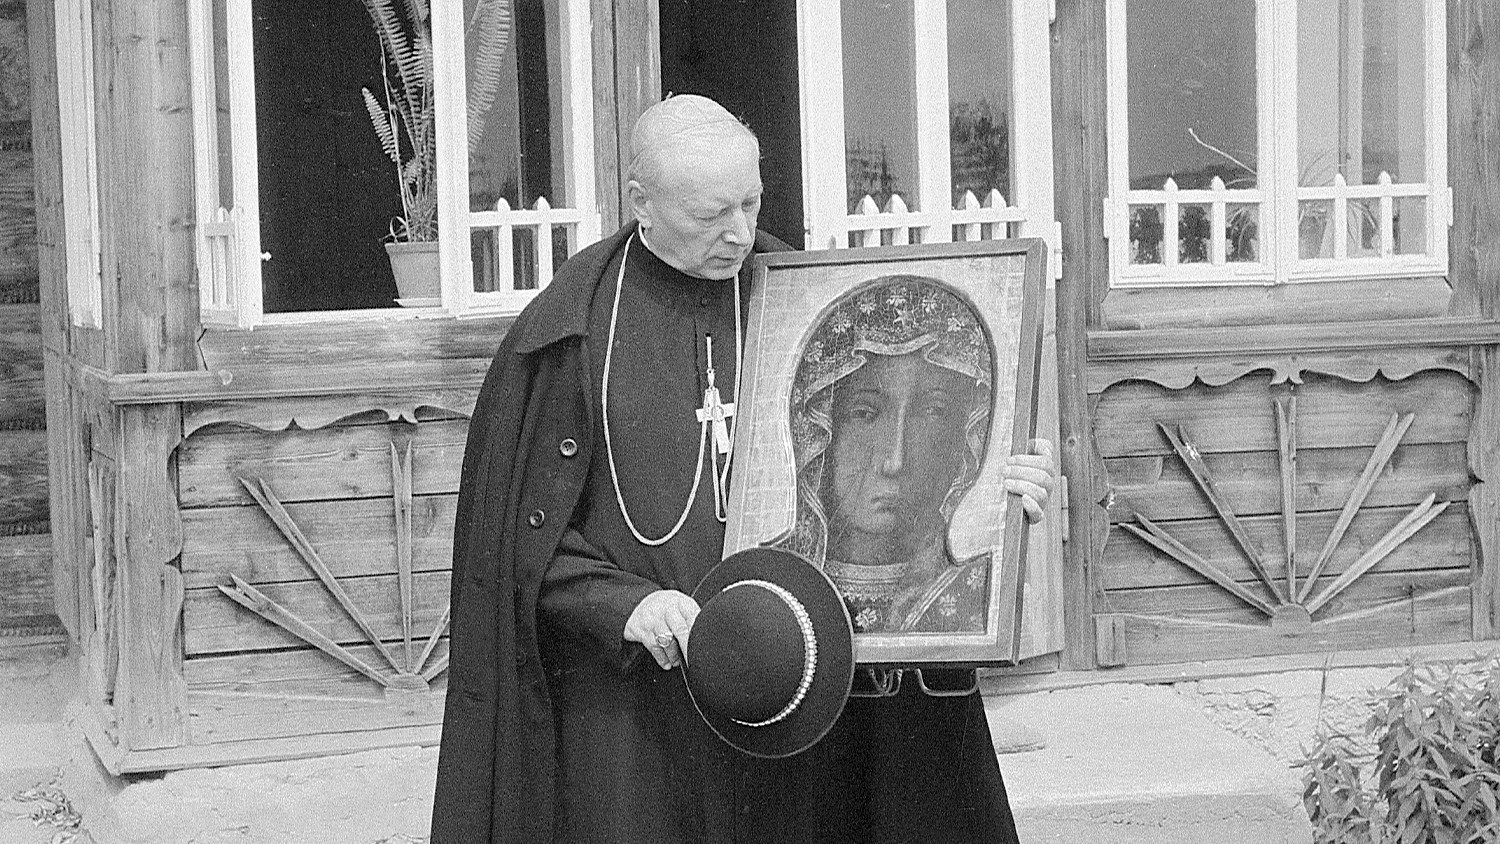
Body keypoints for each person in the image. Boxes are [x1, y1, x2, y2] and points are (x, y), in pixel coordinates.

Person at [431, 94, 1053, 844]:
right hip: (635, 716)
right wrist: (620, 604)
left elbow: (916, 466)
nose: (739, 234)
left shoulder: (815, 307)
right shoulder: (569, 335)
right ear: (642, 203)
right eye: (709, 216)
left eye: (751, 203)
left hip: (799, 700)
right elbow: (516, 545)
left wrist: (1001, 487)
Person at [773, 275, 1026, 635]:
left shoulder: (975, 584)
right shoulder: (774, 581)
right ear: (816, 433)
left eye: (932, 412)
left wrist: (1024, 516)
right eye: (864, 413)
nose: (895, 461)